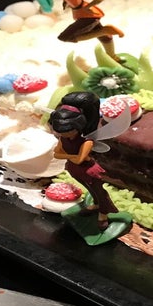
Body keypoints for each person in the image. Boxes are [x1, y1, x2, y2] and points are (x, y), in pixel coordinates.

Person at [48, 91, 117, 229]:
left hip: (89, 171)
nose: (63, 134)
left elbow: (80, 159)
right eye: (60, 131)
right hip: (74, 169)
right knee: (90, 190)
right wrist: (71, 156)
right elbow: (56, 154)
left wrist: (67, 155)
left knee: (100, 192)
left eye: (67, 130)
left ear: (77, 127)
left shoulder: (87, 142)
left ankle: (103, 213)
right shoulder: (63, 138)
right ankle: (96, 205)